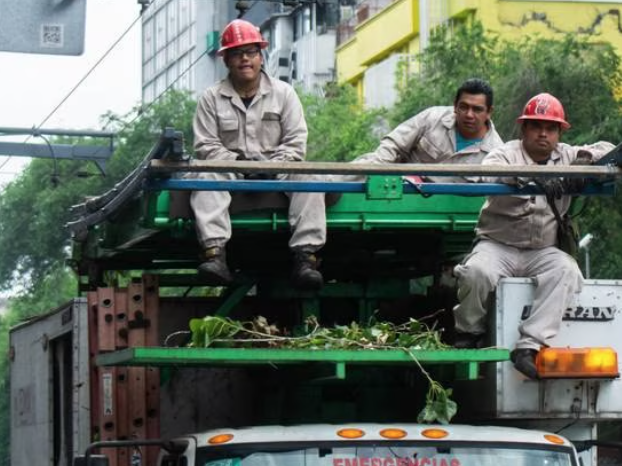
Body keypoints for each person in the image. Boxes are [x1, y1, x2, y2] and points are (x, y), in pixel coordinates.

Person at [452, 93, 617, 380]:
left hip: (540, 250)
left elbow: (610, 149)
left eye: (550, 128)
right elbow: (490, 173)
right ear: (524, 129)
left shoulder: (566, 155)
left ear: (559, 132)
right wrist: (535, 179)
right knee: (475, 272)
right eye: (536, 126)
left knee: (567, 269)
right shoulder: (505, 153)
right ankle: (469, 332)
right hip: (498, 246)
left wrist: (583, 166)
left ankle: (528, 346)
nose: (543, 133)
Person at [190, 19, 325, 289]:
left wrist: (273, 165)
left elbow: (296, 142)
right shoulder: (211, 98)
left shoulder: (284, 94)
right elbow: (205, 145)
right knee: (205, 175)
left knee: (310, 177)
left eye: (251, 52)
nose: (245, 59)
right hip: (228, 170)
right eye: (237, 53)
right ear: (226, 60)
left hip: (278, 170)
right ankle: (215, 254)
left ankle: (305, 258)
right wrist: (237, 163)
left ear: (261, 57)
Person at [349, 78, 503, 183]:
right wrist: (378, 173)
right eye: (464, 107)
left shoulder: (496, 153)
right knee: (334, 178)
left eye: (477, 109)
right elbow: (394, 143)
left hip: (444, 210)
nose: (469, 114)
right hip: (398, 188)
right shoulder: (433, 118)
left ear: (489, 112)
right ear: (455, 106)